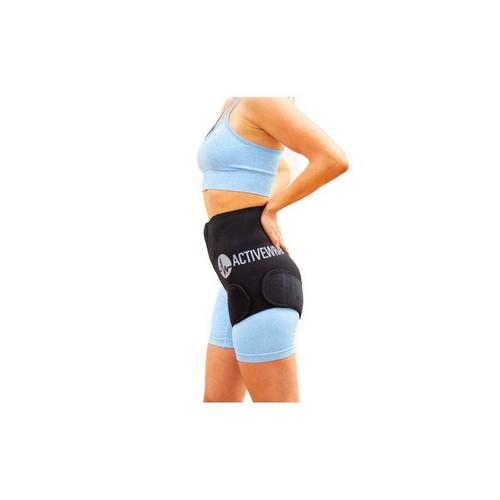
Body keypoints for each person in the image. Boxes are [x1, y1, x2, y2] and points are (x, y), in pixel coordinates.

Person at [198, 97, 348, 402]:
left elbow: (333, 159)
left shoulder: (263, 98)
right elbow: (279, 169)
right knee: (217, 402)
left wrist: (273, 209)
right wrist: (265, 203)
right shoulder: (234, 102)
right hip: (231, 280)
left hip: (260, 279)